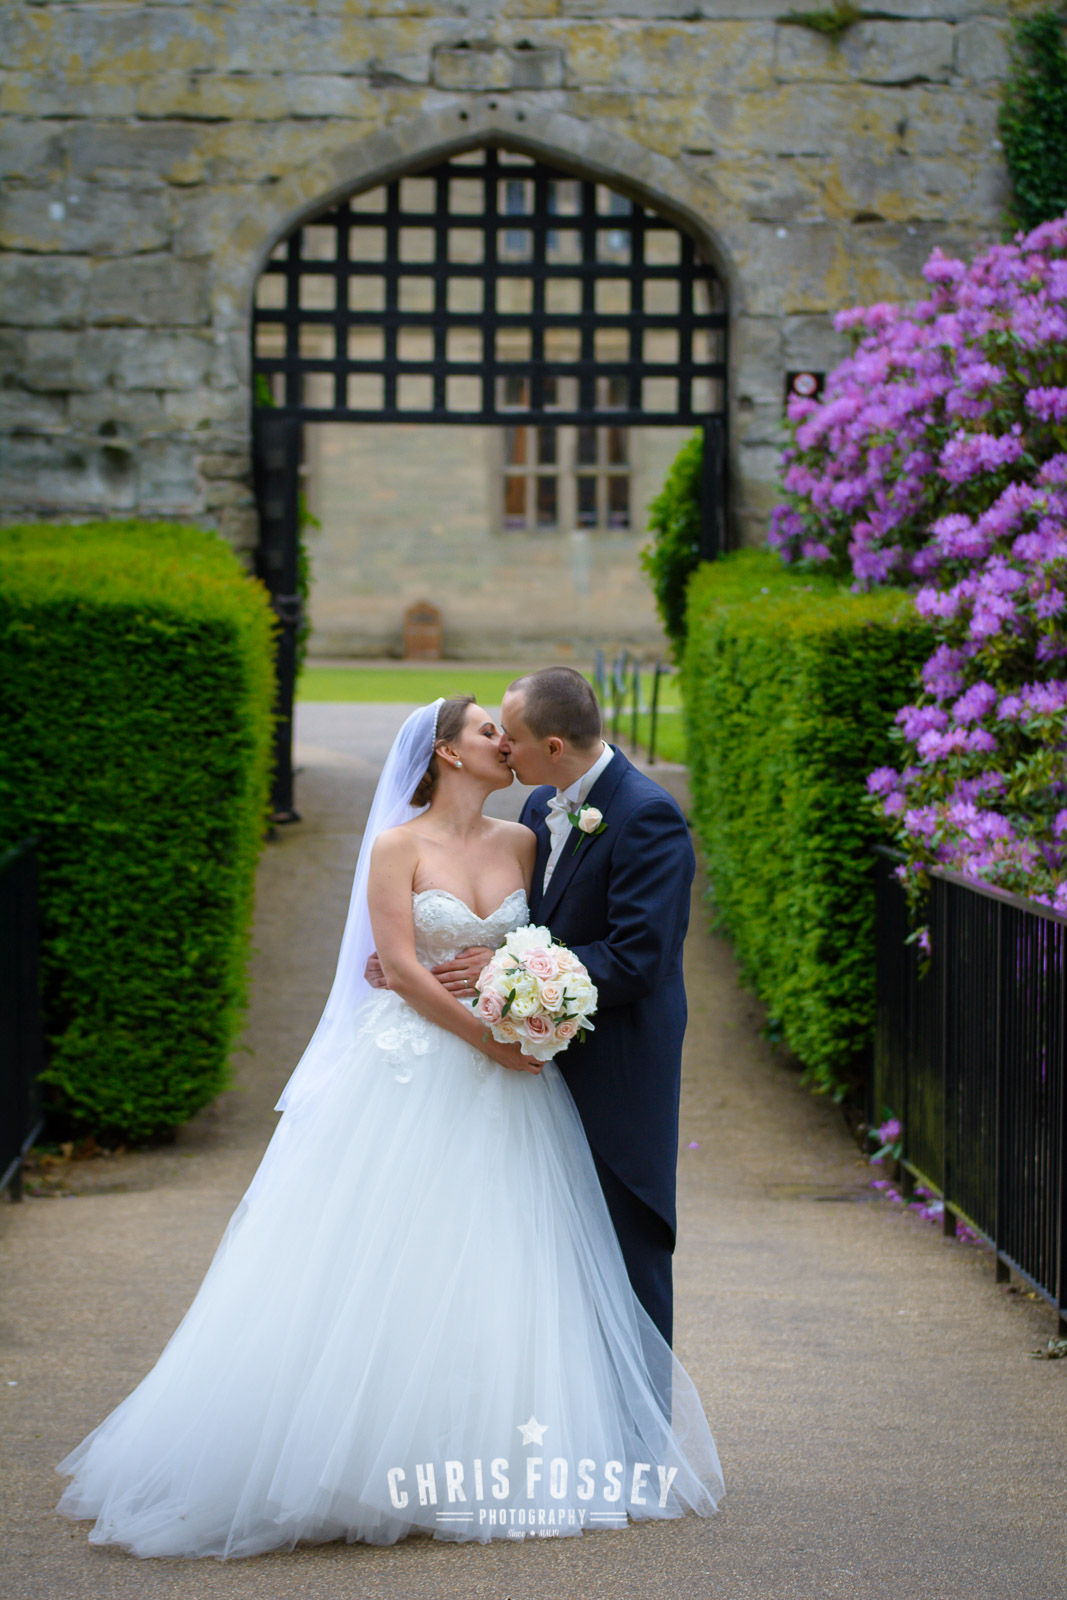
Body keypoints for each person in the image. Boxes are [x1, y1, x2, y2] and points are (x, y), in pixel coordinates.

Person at [55, 696, 723, 1559]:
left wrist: (521, 1002)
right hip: (422, 1063)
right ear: (446, 752)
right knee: (390, 1249)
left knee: (510, 1254)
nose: (503, 742)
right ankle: (353, 1460)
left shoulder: (527, 834)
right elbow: (402, 969)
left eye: (509, 731)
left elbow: (551, 940)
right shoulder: (395, 845)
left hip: (517, 1082)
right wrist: (486, 1036)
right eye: (487, 730)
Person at [417, 668, 694, 1350]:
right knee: (546, 1254)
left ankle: (639, 1416)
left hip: (617, 1068)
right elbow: (525, 924)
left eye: (508, 736)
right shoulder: (540, 806)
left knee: (626, 1245)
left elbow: (637, 958)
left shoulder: (648, 815)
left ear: (552, 746)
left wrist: (503, 971)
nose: (501, 748)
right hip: (538, 1064)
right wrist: (419, 960)